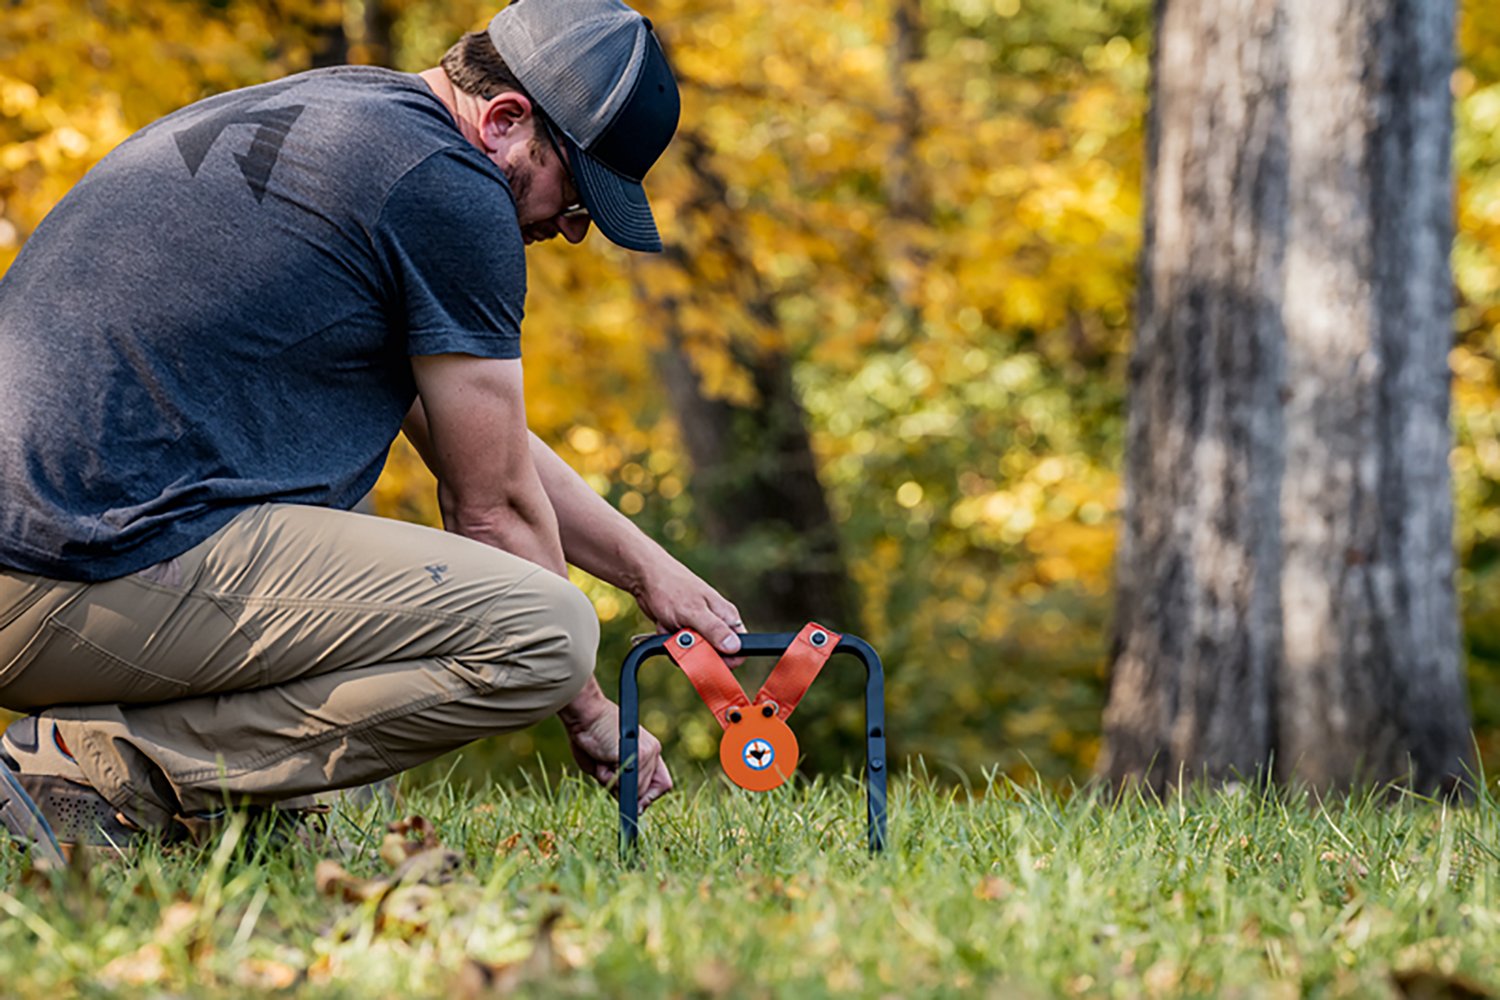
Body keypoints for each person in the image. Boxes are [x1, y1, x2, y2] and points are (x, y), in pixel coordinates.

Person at [0, 0, 744, 862]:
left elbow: (481, 440)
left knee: (480, 609)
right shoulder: (450, 190)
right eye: (574, 192)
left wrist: (648, 572)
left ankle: (229, 810)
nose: (571, 229)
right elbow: (491, 509)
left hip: (52, 563)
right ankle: (94, 773)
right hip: (65, 576)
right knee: (544, 634)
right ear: (505, 121)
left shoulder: (347, 119)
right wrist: (588, 709)